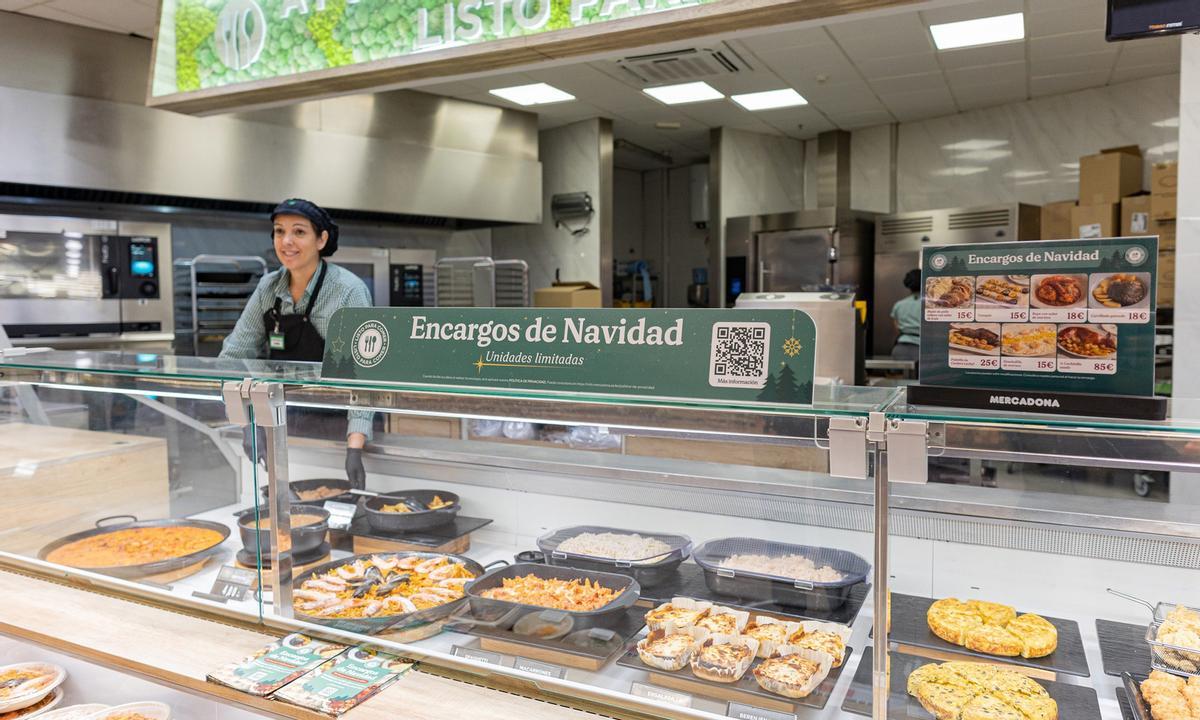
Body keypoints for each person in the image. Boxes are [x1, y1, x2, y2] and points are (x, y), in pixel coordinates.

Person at [220, 198, 373, 487]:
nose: (287, 241)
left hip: (342, 425)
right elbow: (234, 357)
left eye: (299, 232)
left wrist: (355, 447)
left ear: (321, 239)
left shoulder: (348, 291)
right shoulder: (268, 288)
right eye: (279, 231)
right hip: (283, 421)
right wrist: (248, 424)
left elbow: (363, 376)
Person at [890, 268, 922, 363]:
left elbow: (896, 328)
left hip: (900, 349)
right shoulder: (930, 305)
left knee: (901, 378)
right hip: (921, 349)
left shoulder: (899, 305)